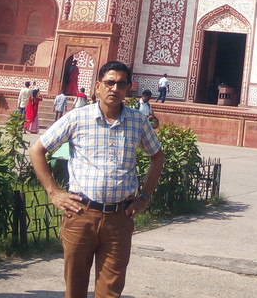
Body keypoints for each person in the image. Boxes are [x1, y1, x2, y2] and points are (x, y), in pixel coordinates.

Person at [29, 61, 164, 298]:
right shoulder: (77, 118)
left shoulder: (137, 121)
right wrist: (53, 192)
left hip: (119, 218)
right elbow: (36, 150)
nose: (114, 88)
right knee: (75, 288)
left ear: (128, 89)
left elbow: (157, 156)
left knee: (111, 291)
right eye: (109, 82)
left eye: (121, 84)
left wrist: (145, 196)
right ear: (97, 87)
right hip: (81, 214)